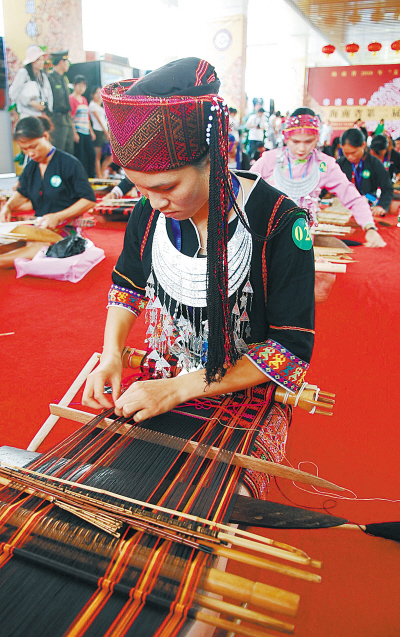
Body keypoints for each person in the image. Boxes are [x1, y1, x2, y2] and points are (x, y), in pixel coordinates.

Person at [82, 57, 315, 503]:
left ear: (214, 160)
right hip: (163, 374)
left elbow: (288, 355)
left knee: (213, 507)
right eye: (139, 188)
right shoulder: (149, 215)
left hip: (248, 394)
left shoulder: (281, 223)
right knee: (114, 500)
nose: (153, 203)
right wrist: (112, 354)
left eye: (167, 187)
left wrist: (179, 389)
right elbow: (127, 286)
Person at [252, 108, 385, 247]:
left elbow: (351, 195)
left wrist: (369, 227)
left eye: (309, 141)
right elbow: (244, 188)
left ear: (317, 138)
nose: (302, 148)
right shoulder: (270, 159)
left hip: (304, 237)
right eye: (295, 141)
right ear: (286, 138)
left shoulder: (324, 164)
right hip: (267, 236)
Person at [0, 117, 96, 268]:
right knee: (7, 244)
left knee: (41, 246)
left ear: (45, 136)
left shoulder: (69, 163)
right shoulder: (31, 168)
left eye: (33, 146)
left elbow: (89, 199)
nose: (30, 153)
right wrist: (8, 207)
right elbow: (22, 192)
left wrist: (58, 216)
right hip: (40, 226)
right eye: (24, 149)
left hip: (65, 229)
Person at [338, 129, 393, 217]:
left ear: (363, 145)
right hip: (343, 209)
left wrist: (381, 206)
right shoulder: (340, 164)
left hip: (369, 208)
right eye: (346, 153)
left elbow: (387, 189)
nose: (350, 157)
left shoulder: (374, 163)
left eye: (353, 152)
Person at [9, 45, 53, 120]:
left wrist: (48, 109)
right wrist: (30, 102)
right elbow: (13, 93)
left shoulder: (42, 75)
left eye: (42, 60)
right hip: (27, 116)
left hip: (41, 115)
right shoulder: (23, 73)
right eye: (38, 60)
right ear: (32, 61)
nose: (41, 62)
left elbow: (49, 93)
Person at [48, 50, 74, 154]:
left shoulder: (64, 79)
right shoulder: (49, 78)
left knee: (69, 152)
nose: (68, 64)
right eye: (67, 61)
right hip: (57, 120)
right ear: (61, 62)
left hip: (67, 120)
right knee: (58, 152)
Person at [70, 75, 96, 178]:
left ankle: (91, 176)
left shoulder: (84, 99)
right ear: (75, 86)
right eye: (79, 85)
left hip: (86, 131)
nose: (82, 88)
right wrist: (74, 133)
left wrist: (91, 131)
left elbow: (87, 117)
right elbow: (71, 118)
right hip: (78, 131)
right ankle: (81, 177)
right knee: (80, 155)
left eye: (84, 85)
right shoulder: (71, 99)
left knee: (91, 154)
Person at [89, 85, 111, 178]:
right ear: (93, 94)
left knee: (108, 155)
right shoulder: (92, 105)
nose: (98, 95)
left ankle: (102, 173)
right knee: (97, 156)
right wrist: (107, 133)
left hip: (103, 132)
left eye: (100, 93)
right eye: (96, 93)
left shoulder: (101, 106)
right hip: (98, 131)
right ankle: (99, 176)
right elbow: (99, 120)